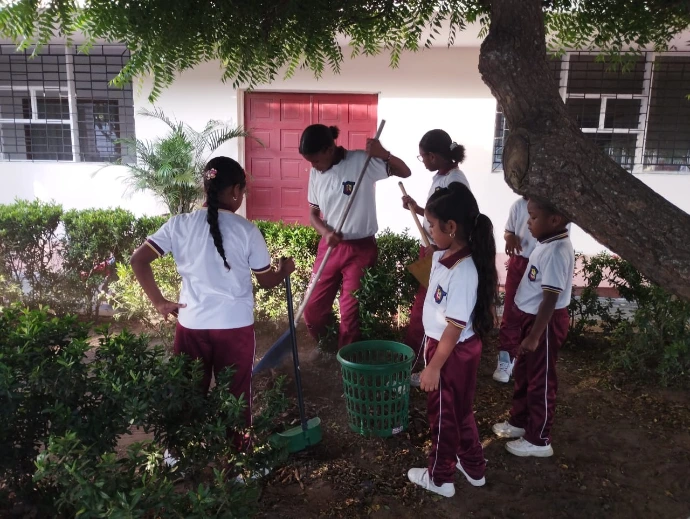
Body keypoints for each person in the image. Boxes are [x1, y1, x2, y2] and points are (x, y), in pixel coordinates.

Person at [130, 156, 295, 450]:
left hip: (191, 325)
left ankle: (179, 454)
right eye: (242, 190)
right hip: (234, 328)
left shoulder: (178, 225)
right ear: (235, 191)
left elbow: (138, 260)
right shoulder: (247, 231)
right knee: (236, 396)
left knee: (189, 393)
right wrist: (284, 271)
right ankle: (236, 459)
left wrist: (159, 302)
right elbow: (267, 281)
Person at [407, 182, 498, 498]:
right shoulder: (445, 257)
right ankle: (473, 466)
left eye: (432, 225)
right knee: (459, 411)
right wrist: (430, 261)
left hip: (450, 352)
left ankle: (440, 478)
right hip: (453, 351)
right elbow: (434, 284)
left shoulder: (464, 271)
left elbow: (454, 328)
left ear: (451, 226)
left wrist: (433, 367)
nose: (429, 230)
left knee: (443, 417)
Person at [301, 124, 411, 349]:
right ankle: (328, 345)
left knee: (350, 311)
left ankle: (347, 357)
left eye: (316, 160)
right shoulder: (315, 173)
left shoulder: (362, 161)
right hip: (330, 246)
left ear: (329, 149)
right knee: (312, 307)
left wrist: (384, 154)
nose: (313, 166)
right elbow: (313, 214)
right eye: (310, 162)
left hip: (361, 249)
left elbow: (405, 171)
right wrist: (326, 232)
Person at [492, 198, 574, 458]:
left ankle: (539, 439)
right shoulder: (545, 243)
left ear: (555, 220)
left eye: (534, 217)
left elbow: (550, 299)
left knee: (541, 380)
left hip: (544, 324)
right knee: (524, 374)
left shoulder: (557, 251)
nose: (528, 222)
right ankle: (520, 422)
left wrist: (535, 336)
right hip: (533, 321)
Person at [400, 129, 471, 384]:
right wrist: (417, 208)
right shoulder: (441, 177)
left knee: (427, 305)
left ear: (433, 156)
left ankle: (419, 363)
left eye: (422, 157)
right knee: (426, 303)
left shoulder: (455, 182)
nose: (422, 162)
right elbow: (437, 215)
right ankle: (418, 360)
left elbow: (457, 221)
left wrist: (438, 249)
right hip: (434, 248)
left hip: (440, 252)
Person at [493, 196, 534, 383]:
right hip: (519, 263)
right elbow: (508, 230)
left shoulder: (553, 205)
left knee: (533, 315)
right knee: (511, 311)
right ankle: (506, 358)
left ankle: (525, 361)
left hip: (541, 264)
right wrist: (510, 237)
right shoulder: (518, 205)